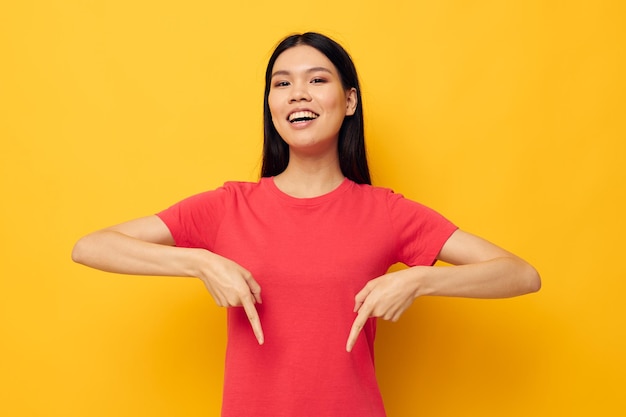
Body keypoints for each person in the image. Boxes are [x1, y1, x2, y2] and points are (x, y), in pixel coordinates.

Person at [72, 32, 540, 417]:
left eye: (317, 79)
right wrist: (198, 262)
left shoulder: (387, 211)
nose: (298, 93)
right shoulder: (229, 206)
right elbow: (92, 246)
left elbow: (521, 274)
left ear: (349, 100)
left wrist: (422, 279)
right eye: (282, 83)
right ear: (272, 106)